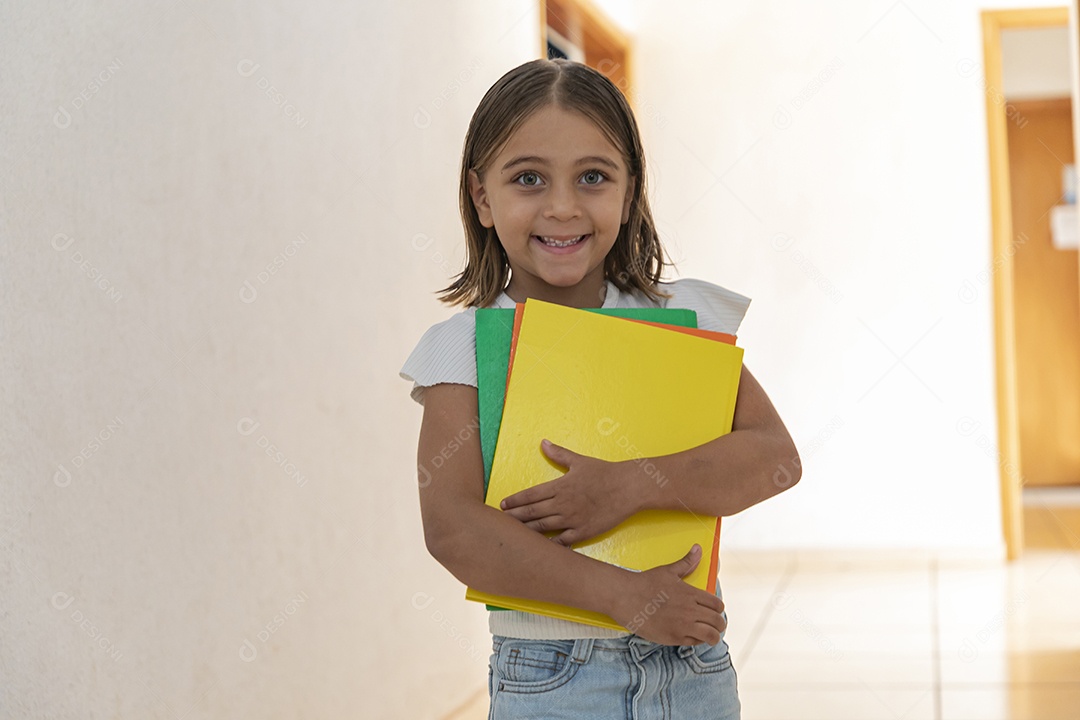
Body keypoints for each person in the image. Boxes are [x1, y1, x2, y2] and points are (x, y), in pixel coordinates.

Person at [399, 58, 800, 720]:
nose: (563, 206)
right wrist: (624, 596)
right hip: (551, 676)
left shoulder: (681, 321)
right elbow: (453, 529)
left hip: (690, 664)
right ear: (482, 198)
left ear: (628, 190)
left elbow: (775, 459)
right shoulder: (464, 348)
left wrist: (631, 484)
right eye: (529, 178)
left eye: (593, 177)